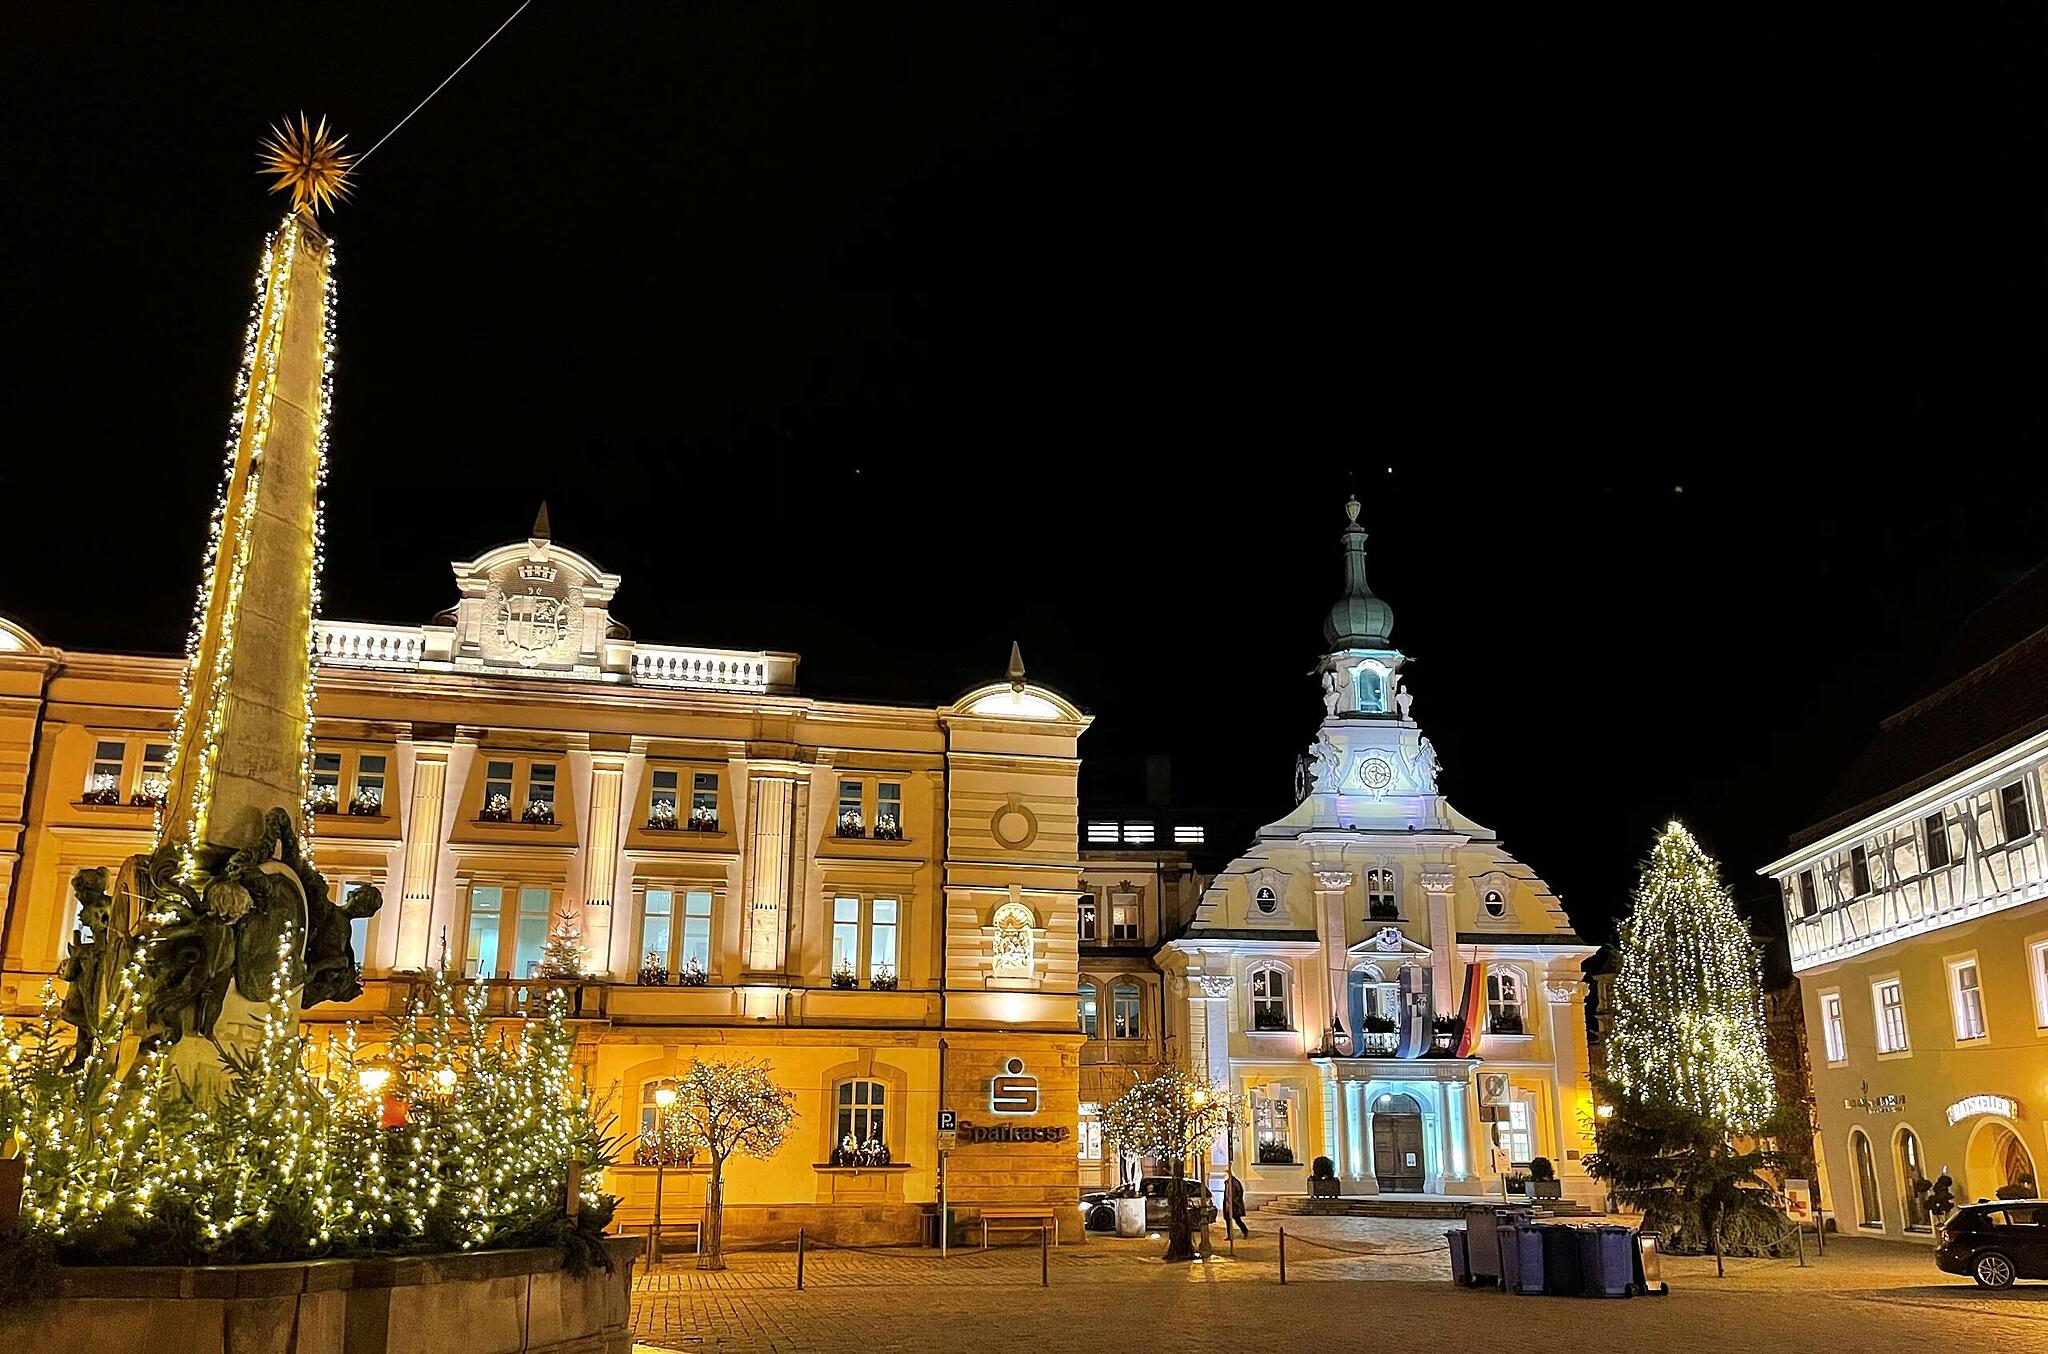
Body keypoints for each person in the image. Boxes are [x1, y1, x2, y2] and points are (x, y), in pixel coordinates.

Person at [1225, 1171, 1249, 1239]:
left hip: (1234, 1205)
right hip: (1228, 1204)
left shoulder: (1235, 1182)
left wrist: (1235, 1200)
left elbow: (1240, 1192)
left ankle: (1245, 1231)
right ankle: (1229, 1235)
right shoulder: (1227, 1183)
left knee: (1237, 1219)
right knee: (1227, 1220)